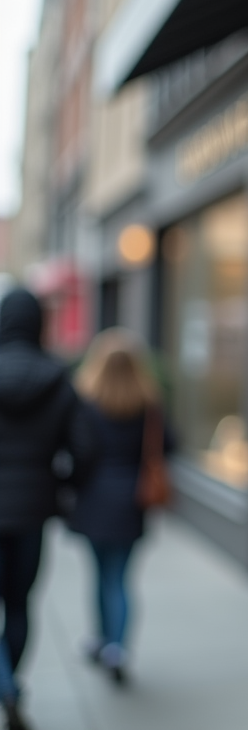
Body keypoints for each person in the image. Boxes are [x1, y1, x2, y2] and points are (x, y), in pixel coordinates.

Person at [0, 289, 95, 730]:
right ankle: (10, 683)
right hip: (33, 512)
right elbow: (84, 449)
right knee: (19, 604)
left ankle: (7, 688)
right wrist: (60, 487)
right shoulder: (58, 378)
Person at [68, 328, 167, 685]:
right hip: (131, 500)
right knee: (121, 578)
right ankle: (117, 648)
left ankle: (101, 639)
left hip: (94, 499)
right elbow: (169, 446)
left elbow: (78, 454)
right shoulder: (149, 404)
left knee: (99, 574)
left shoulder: (86, 402)